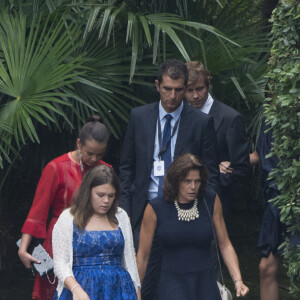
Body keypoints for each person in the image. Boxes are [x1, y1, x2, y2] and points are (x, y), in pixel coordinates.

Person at [119, 59, 219, 299]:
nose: (173, 96)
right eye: (167, 89)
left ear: (185, 88)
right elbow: (126, 167)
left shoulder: (200, 123)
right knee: (141, 280)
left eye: (178, 89)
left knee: (178, 284)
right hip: (145, 210)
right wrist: (125, 212)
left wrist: (202, 214)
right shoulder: (139, 117)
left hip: (183, 213)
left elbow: (210, 173)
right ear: (157, 85)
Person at [18, 116, 111, 300]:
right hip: (60, 240)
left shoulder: (106, 170)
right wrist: (23, 248)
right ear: (78, 143)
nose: (94, 159)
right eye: (89, 153)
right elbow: (38, 211)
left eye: (99, 154)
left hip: (94, 244)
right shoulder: (56, 167)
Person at [137, 153, 249, 300]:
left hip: (205, 283)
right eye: (187, 181)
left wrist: (238, 280)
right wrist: (135, 290)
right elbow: (143, 256)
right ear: (175, 181)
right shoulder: (156, 207)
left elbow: (225, 244)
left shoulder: (210, 201)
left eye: (197, 181)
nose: (193, 186)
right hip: (171, 284)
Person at [52, 165, 141, 300]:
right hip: (81, 289)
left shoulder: (121, 216)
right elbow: (60, 263)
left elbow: (130, 261)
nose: (106, 201)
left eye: (111, 196)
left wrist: (137, 293)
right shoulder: (68, 218)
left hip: (119, 289)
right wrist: (76, 289)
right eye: (100, 195)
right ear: (88, 192)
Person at [185, 61, 249, 218]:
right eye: (189, 90)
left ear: (208, 86)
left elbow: (241, 167)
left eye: (199, 89)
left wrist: (213, 176)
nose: (195, 95)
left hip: (216, 203)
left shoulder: (230, 118)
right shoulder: (178, 116)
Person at [250, 119, 285, 300]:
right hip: (276, 201)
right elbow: (259, 154)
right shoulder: (270, 117)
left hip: (292, 195)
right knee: (266, 268)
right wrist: (232, 162)